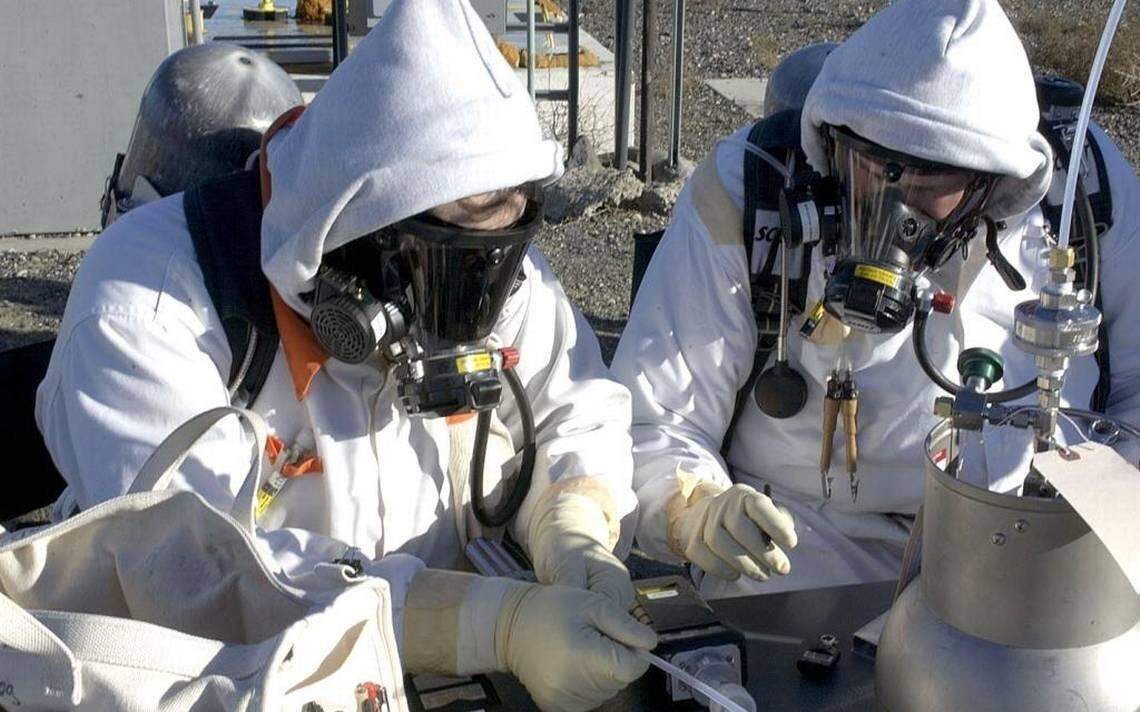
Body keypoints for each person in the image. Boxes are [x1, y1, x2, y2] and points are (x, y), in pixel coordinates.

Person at [36, 1, 654, 709]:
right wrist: (486, 625)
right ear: (357, 242)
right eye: (452, 272)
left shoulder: (480, 258)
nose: (476, 311)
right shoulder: (145, 300)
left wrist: (574, 524)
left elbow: (575, 407)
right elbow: (191, 570)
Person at [612, 0, 1140, 598]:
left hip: (1034, 546)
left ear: (991, 185)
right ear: (830, 142)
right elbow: (657, 418)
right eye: (871, 166)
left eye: (929, 181)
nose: (893, 203)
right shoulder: (749, 194)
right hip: (806, 550)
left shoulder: (1081, 196)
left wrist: (1103, 516)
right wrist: (695, 507)